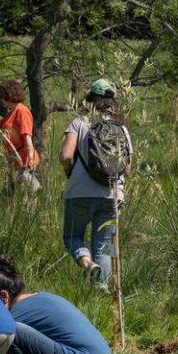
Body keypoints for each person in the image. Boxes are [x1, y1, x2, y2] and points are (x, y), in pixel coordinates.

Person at [58, 78, 132, 291]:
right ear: (113, 102)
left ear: (89, 99)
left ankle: (88, 264)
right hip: (112, 195)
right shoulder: (122, 130)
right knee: (103, 247)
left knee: (72, 236)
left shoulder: (79, 122)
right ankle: (103, 292)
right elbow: (127, 169)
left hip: (79, 192)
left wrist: (69, 173)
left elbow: (65, 156)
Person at [0, 80, 40, 194]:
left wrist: (30, 159)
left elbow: (27, 136)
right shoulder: (11, 113)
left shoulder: (22, 111)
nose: (1, 100)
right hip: (14, 161)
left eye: (2, 97)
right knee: (7, 194)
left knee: (22, 194)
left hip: (24, 160)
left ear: (7, 96)